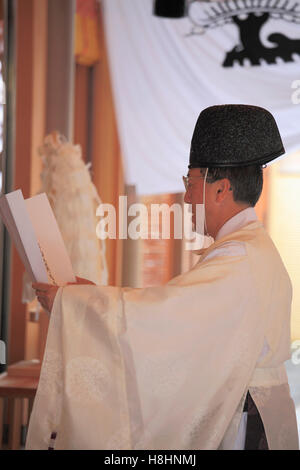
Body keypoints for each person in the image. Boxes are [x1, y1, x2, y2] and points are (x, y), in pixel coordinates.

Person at [28, 104, 299, 450]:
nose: (186, 197)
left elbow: (164, 319)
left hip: (246, 424)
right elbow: (173, 316)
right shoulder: (248, 250)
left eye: (191, 182)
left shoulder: (239, 258)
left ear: (221, 189)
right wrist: (92, 298)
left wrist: (78, 306)